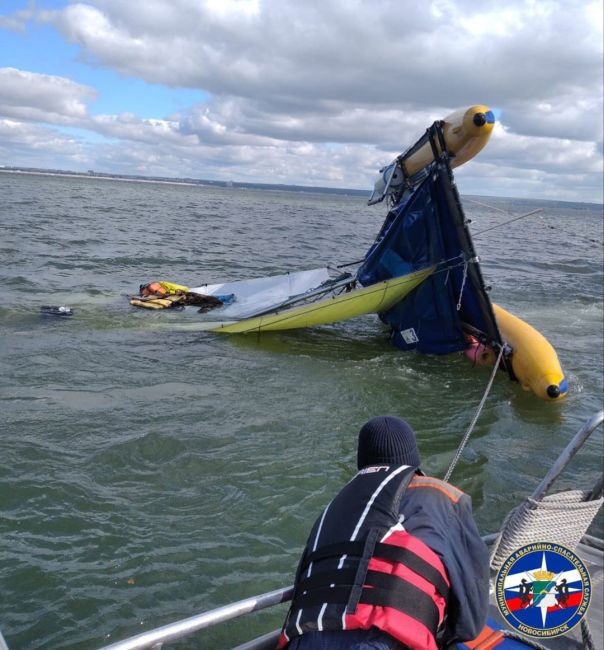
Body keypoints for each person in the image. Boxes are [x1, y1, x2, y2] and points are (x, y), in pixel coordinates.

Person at [277, 416, 490, 650]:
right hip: (381, 642)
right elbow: (470, 617)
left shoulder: (328, 513)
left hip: (302, 642)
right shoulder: (442, 496)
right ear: (414, 463)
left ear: (363, 463)